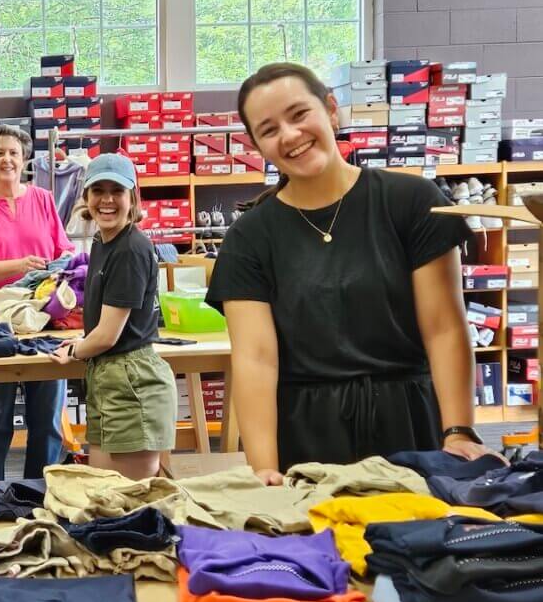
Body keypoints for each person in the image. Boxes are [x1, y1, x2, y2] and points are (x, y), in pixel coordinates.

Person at [205, 62, 502, 485]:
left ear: (330, 109)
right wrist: (264, 469)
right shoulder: (249, 237)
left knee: (417, 541)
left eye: (298, 114)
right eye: (269, 130)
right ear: (257, 146)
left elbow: (444, 328)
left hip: (412, 426)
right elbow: (255, 359)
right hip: (307, 434)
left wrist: (458, 432)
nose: (289, 135)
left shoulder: (412, 202)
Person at [0, 124, 74, 481]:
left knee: (48, 419)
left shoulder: (42, 199)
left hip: (43, 324)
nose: (7, 159)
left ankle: (42, 491)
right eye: (0, 153)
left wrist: (62, 267)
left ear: (24, 160)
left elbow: (64, 250)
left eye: (14, 153)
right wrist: (21, 265)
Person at [49, 153, 176, 479]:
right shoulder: (103, 241)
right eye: (98, 190)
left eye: (116, 191)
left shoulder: (131, 249)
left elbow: (108, 336)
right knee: (107, 493)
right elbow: (105, 323)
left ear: (132, 197)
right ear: (86, 197)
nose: (106, 200)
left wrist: (75, 350)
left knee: (129, 498)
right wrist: (84, 341)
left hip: (130, 380)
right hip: (109, 375)